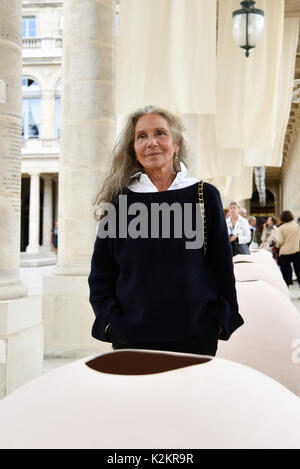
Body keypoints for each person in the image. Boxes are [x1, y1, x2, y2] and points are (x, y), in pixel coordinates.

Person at [88, 106, 244, 357]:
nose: (151, 143)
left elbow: (222, 267)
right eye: (141, 136)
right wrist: (110, 323)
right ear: (133, 148)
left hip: (196, 335)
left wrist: (219, 320)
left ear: (176, 144)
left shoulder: (204, 195)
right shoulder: (119, 202)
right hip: (132, 338)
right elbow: (102, 272)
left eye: (160, 133)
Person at [276, 210, 300, 288]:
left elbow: (280, 242)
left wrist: (276, 243)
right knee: (298, 271)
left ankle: (286, 289)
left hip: (285, 252)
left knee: (285, 272)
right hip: (296, 250)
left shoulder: (281, 228)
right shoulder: (296, 226)